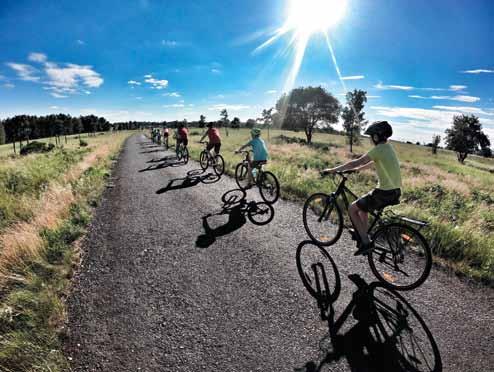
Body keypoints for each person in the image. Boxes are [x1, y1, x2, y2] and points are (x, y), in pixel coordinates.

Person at [321, 121, 402, 256]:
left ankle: (366, 242)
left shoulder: (378, 149)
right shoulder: (388, 148)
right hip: (394, 192)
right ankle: (362, 233)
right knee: (363, 207)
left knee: (352, 208)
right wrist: (357, 170)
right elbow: (373, 162)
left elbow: (357, 161)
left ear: (376, 137)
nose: (371, 139)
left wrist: (333, 170)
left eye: (372, 136)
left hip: (383, 192)